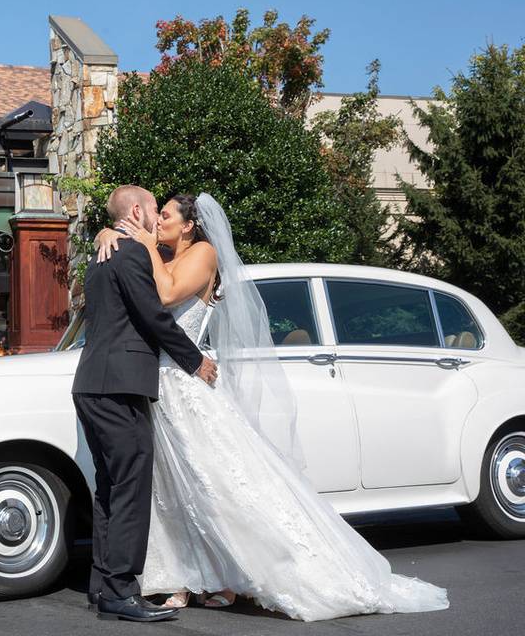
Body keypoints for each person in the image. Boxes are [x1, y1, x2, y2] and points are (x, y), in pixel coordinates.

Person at [93, 192, 449, 621]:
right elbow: (137, 283)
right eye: (157, 214)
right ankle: (189, 577)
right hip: (158, 385)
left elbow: (163, 299)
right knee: (173, 490)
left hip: (185, 383)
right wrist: (106, 231)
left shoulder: (202, 254)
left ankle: (245, 571)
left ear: (189, 224)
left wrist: (144, 244)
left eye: (166, 215)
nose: (158, 221)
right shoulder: (157, 254)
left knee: (220, 484)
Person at [71, 185, 219, 623]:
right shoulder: (132, 253)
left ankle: (103, 585)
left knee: (110, 488)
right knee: (131, 488)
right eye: (155, 209)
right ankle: (121, 591)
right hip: (120, 385)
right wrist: (195, 361)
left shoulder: (101, 254)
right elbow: (154, 315)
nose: (157, 218)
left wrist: (104, 231)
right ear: (137, 211)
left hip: (92, 383)